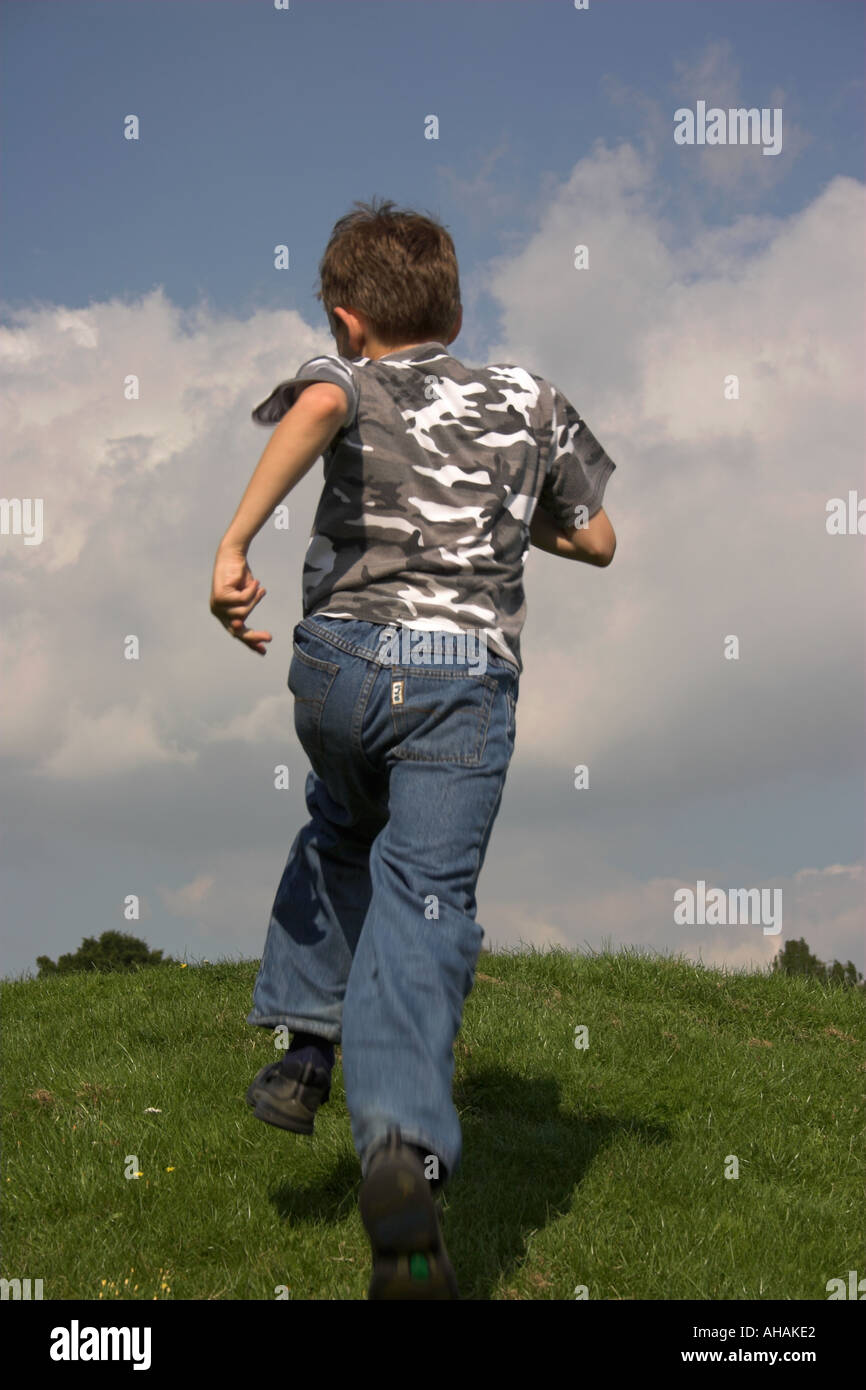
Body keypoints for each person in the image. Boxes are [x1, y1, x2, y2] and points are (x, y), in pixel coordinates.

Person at [209, 197, 617, 1299]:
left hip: (340, 664)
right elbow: (595, 538)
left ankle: (303, 1048)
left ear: (347, 317)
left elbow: (314, 408)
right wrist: (494, 510)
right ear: (455, 303)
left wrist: (235, 542)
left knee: (340, 829)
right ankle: (398, 1152)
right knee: (425, 895)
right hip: (462, 677)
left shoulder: (342, 371)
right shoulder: (529, 398)